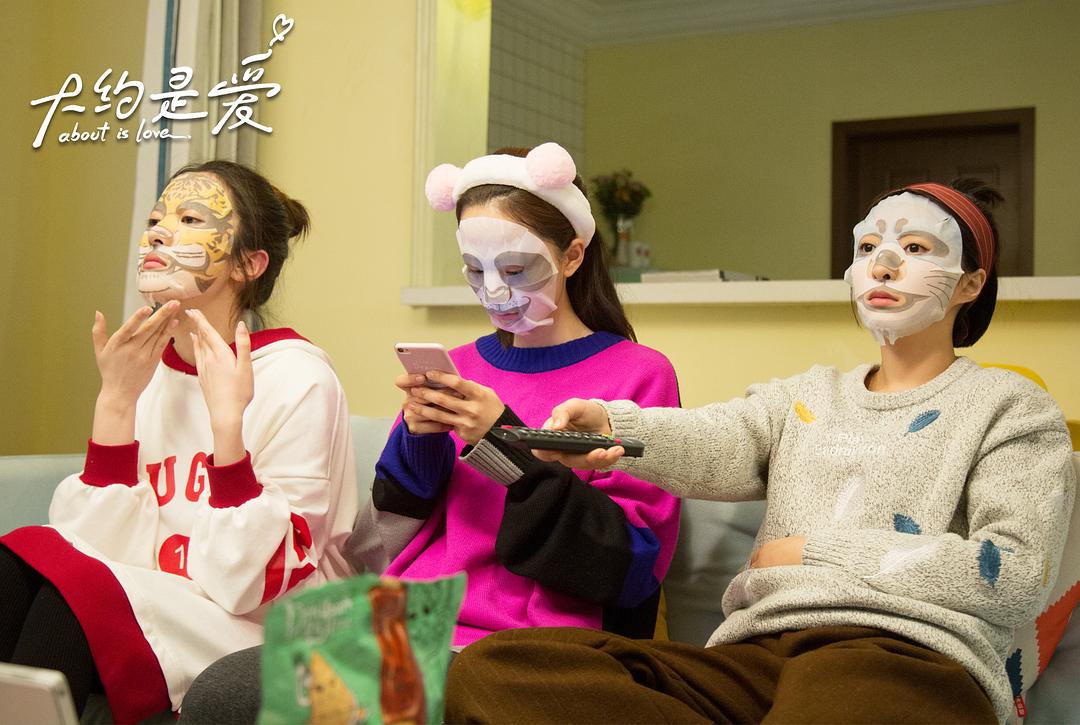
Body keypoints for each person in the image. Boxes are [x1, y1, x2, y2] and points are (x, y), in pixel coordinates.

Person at [445, 179, 1077, 724]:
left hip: (902, 657)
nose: (883, 265)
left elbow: (1013, 575)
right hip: (754, 657)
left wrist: (815, 552)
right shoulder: (806, 396)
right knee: (495, 671)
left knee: (830, 701)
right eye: (867, 248)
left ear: (970, 283)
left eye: (915, 249)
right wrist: (609, 423)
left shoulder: (1012, 407)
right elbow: (716, 441)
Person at [178, 142, 682, 722]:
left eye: (516, 270)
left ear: (572, 256)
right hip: (409, 623)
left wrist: (500, 440)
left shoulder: (639, 375)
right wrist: (419, 436)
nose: (494, 292)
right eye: (475, 271)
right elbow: (387, 533)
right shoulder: (459, 366)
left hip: (531, 647)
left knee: (253, 697)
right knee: (221, 692)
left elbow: (633, 567)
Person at [0, 161, 359, 723]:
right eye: (155, 220)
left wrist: (227, 429)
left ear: (248, 263)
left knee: (70, 603)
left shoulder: (299, 378)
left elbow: (251, 583)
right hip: (163, 599)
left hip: (267, 623)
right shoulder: (148, 370)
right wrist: (116, 401)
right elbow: (96, 549)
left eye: (190, 219)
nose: (159, 234)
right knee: (15, 565)